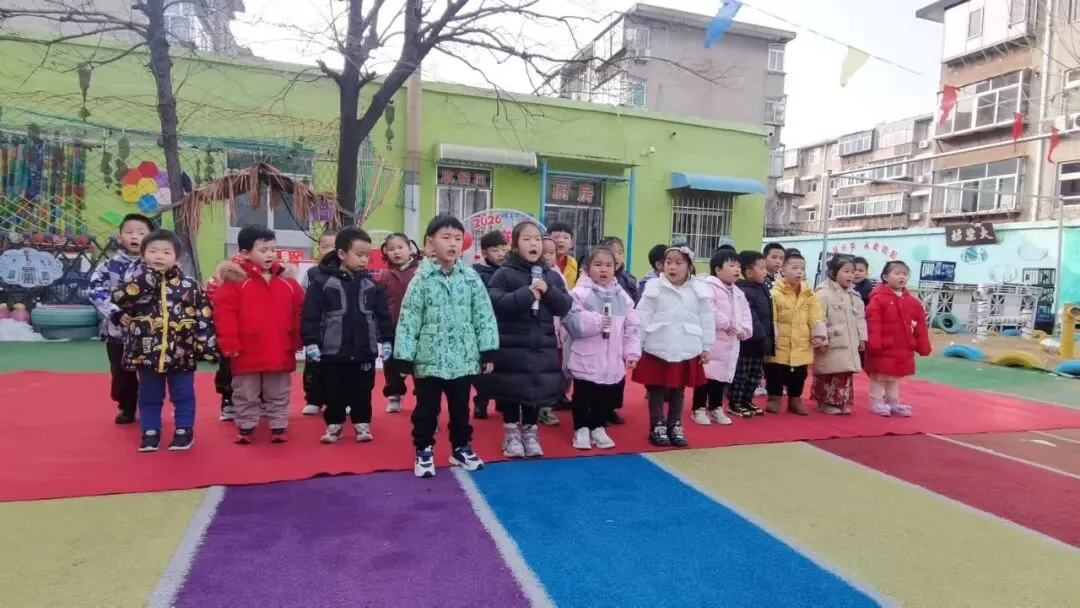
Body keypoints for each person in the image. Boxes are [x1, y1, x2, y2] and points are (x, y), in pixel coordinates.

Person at [395, 215, 499, 478]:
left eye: (457, 238)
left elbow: (484, 315)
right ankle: (423, 449)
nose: (452, 244)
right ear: (430, 243)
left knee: (460, 407)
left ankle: (461, 447)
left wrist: (487, 350)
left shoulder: (471, 278)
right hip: (429, 358)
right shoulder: (421, 279)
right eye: (446, 238)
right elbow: (409, 319)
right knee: (426, 408)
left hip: (463, 357)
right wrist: (404, 357)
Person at [110, 230, 217, 452]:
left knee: (183, 395)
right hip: (147, 353)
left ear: (177, 259)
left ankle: (184, 430)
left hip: (181, 352)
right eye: (153, 251)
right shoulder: (135, 283)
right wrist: (145, 280)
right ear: (143, 255)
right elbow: (118, 298)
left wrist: (206, 346)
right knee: (149, 396)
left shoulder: (190, 285)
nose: (159, 256)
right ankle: (150, 432)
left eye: (166, 252)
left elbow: (204, 315)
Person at [487, 221, 574, 458]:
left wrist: (548, 290)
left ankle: (530, 432)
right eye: (527, 239)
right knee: (512, 390)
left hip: (541, 344)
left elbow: (564, 305)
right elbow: (495, 302)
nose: (533, 243)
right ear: (515, 245)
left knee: (535, 390)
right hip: (512, 345)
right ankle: (511, 434)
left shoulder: (550, 275)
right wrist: (527, 294)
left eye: (537, 238)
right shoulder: (504, 273)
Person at [210, 225, 304, 443]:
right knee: (245, 391)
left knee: (279, 390)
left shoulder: (288, 283)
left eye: (273, 249)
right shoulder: (235, 283)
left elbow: (298, 313)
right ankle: (246, 426)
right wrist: (229, 344)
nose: (270, 254)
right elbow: (225, 316)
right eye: (263, 250)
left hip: (279, 346)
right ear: (245, 253)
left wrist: (297, 339)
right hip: (246, 349)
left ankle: (278, 425)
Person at [301, 227, 393, 444]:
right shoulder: (322, 282)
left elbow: (383, 315)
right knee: (333, 389)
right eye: (359, 254)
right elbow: (311, 315)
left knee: (363, 389)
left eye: (367, 255)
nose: (364, 260)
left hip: (364, 350)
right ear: (342, 254)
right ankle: (334, 424)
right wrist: (311, 342)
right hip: (333, 350)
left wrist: (388, 340)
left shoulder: (372, 285)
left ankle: (362, 423)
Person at [633, 246, 715, 447]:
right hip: (657, 346)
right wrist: (636, 345)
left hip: (687, 347)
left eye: (679, 262)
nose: (672, 267)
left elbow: (707, 319)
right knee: (656, 388)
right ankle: (657, 424)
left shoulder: (698, 290)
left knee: (679, 389)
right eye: (669, 262)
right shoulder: (654, 287)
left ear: (689, 266)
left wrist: (706, 346)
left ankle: (675, 424)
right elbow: (642, 317)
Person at [561, 246, 641, 450]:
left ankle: (598, 426)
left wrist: (631, 352)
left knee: (603, 395)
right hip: (586, 357)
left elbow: (632, 327)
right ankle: (581, 428)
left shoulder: (622, 297)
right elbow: (571, 321)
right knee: (583, 395)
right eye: (598, 265)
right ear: (588, 268)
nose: (603, 269)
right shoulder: (579, 293)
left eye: (608, 265)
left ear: (616, 268)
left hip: (612, 360)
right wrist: (597, 322)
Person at [88, 213, 154, 425]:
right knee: (121, 372)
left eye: (141, 233)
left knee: (149, 371)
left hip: (149, 331)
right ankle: (126, 406)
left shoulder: (155, 265)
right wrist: (115, 313)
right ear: (120, 237)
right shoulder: (108, 266)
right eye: (129, 232)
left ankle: (149, 407)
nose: (135, 236)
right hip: (117, 332)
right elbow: (95, 290)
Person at [692, 248, 752, 426]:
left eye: (738, 266)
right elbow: (709, 309)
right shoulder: (708, 287)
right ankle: (699, 409)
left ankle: (715, 407)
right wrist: (727, 324)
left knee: (720, 377)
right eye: (731, 265)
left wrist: (744, 330)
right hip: (711, 340)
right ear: (718, 270)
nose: (736, 269)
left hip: (729, 342)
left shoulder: (738, 293)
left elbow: (746, 314)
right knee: (705, 376)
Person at [864, 260, 932, 417]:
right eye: (897, 273)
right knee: (879, 376)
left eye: (905, 274)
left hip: (903, 346)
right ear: (885, 277)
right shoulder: (878, 299)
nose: (902, 277)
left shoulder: (913, 302)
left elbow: (921, 326)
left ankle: (893, 402)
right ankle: (876, 402)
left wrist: (923, 346)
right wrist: (874, 344)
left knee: (894, 376)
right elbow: (873, 323)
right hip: (883, 346)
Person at [765, 252, 826, 416]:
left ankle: (795, 400)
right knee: (775, 373)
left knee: (799, 374)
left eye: (802, 269)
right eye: (795, 268)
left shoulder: (808, 294)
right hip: (780, 342)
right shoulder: (774, 293)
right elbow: (772, 318)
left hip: (801, 341)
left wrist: (818, 335)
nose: (799, 272)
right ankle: (774, 398)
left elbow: (816, 315)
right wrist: (772, 337)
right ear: (783, 271)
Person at [811, 256, 868, 415]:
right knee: (828, 372)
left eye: (853, 272)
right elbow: (818, 318)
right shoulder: (823, 294)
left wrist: (862, 338)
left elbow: (860, 319)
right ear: (833, 273)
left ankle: (840, 401)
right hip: (832, 340)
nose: (851, 275)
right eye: (846, 271)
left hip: (849, 341)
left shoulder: (854, 296)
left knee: (844, 372)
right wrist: (821, 338)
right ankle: (825, 402)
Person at [377, 232, 421, 414]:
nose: (396, 252)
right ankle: (394, 394)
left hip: (417, 328)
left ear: (410, 249)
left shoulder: (421, 272)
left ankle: (422, 397)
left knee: (419, 363)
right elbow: (379, 303)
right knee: (391, 363)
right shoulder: (385, 275)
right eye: (391, 249)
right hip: (393, 327)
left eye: (400, 247)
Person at [598, 235, 638, 425]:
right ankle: (599, 409)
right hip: (602, 329)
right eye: (613, 252)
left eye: (621, 252)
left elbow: (634, 302)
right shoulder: (598, 277)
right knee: (601, 371)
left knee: (618, 373)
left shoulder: (627, 279)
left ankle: (611, 407)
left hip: (622, 330)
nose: (618, 257)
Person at [471, 230, 509, 420]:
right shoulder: (477, 273)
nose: (501, 254)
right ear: (485, 253)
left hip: (505, 326)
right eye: (495, 250)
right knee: (485, 368)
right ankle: (481, 401)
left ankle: (503, 401)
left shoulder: (510, 270)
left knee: (504, 366)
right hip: (484, 327)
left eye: (503, 249)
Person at [301, 229, 338, 416]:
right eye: (325, 246)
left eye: (334, 246)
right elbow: (304, 301)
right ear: (319, 249)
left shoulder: (348, 271)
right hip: (318, 328)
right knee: (314, 365)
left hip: (339, 329)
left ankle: (341, 400)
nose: (330, 250)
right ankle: (313, 398)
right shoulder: (311, 274)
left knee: (339, 367)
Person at [546, 221, 578, 289]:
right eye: (556, 237)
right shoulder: (542, 262)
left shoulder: (574, 264)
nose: (561, 240)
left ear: (571, 244)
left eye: (565, 237)